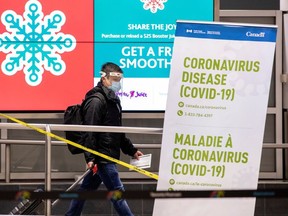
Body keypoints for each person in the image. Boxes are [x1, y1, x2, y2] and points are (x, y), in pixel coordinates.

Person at [65, 62, 143, 216]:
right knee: (118, 193)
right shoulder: (96, 100)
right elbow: (89, 131)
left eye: (119, 79)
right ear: (104, 78)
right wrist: (90, 157)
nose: (118, 83)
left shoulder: (113, 100)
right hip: (102, 157)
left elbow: (117, 131)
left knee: (86, 190)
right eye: (115, 79)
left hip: (107, 154)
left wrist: (131, 150)